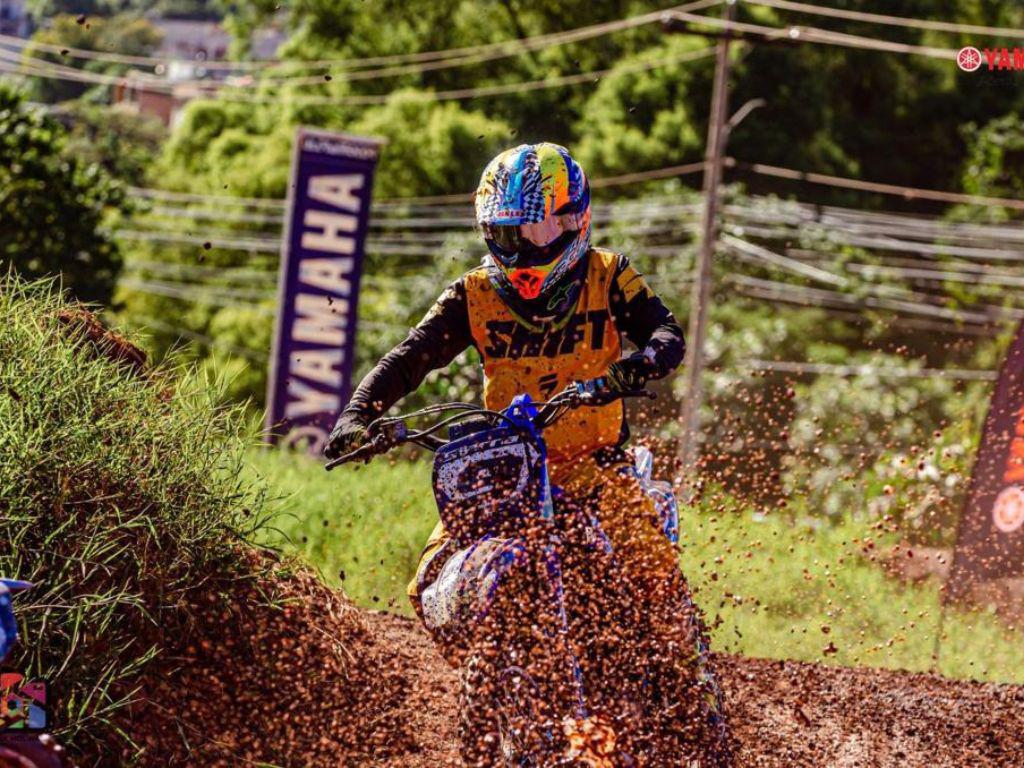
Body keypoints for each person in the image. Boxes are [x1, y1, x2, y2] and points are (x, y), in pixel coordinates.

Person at [325, 143, 726, 759]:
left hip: (595, 468)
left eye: (529, 231)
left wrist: (630, 368)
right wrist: (360, 413)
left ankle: (700, 702)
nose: (516, 249)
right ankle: (502, 685)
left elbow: (667, 334)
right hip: (508, 469)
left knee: (656, 578)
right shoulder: (475, 292)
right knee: (430, 582)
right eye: (503, 235)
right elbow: (412, 357)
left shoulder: (609, 274)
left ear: (572, 219)